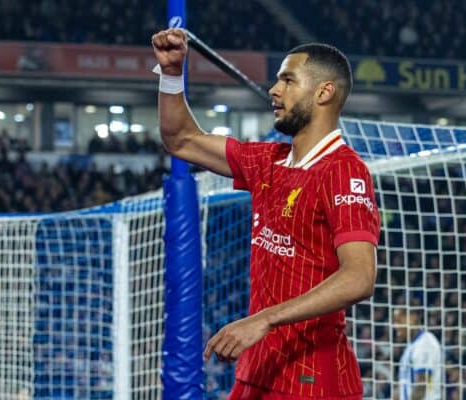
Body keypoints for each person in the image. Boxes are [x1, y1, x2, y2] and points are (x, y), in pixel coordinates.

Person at [151, 28, 381, 399]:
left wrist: (264, 319)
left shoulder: (344, 171)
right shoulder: (268, 161)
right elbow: (181, 139)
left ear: (324, 92)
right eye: (276, 81)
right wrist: (173, 73)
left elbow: (359, 277)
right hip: (258, 370)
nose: (275, 90)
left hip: (313, 381)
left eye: (288, 80)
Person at [393, 308, 442, 400]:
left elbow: (421, 386)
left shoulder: (425, 343)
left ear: (412, 318)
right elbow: (405, 386)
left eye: (399, 321)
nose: (395, 326)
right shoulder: (412, 346)